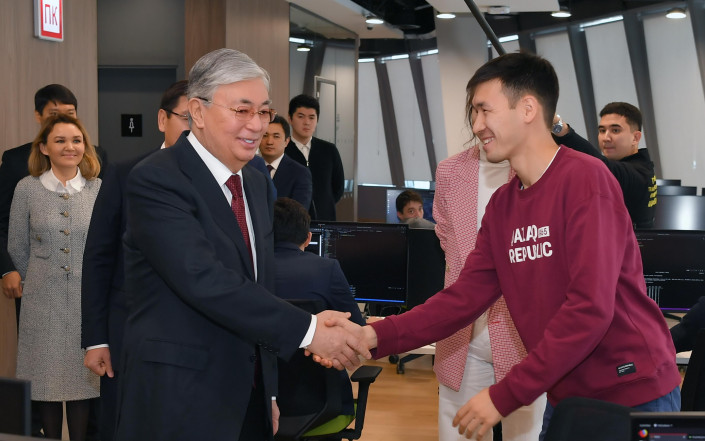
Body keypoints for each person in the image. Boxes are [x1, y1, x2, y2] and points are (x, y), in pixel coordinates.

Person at [321, 52, 681, 440]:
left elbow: (589, 309)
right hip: (567, 394)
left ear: (527, 108)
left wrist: (504, 394)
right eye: (473, 113)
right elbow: (462, 299)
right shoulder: (504, 205)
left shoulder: (585, 179)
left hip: (632, 392)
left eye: (485, 110)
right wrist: (374, 336)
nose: (476, 125)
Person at [113, 48, 366, 441]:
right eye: (242, 110)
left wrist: (270, 391)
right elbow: (203, 279)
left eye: (264, 111)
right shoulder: (157, 179)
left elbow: (260, 285)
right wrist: (310, 330)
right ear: (197, 112)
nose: (257, 125)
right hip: (179, 398)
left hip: (249, 395)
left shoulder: (256, 181)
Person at [80, 79, 189, 441]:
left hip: (195, 336)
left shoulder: (225, 179)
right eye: (187, 118)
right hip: (129, 330)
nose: (195, 129)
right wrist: (96, 338)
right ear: (162, 119)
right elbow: (98, 256)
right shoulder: (126, 172)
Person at [433, 143, 545, 441]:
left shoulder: (535, 168)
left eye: (489, 116)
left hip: (523, 334)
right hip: (463, 336)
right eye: (476, 117)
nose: (482, 124)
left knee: (526, 433)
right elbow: (447, 239)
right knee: (459, 430)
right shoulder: (450, 170)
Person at [8, 114, 102, 441]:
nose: (69, 147)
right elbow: (17, 245)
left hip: (86, 301)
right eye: (60, 141)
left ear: (85, 146)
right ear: (44, 148)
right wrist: (37, 279)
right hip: (41, 302)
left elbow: (107, 246)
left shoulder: (98, 189)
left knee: (81, 383)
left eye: (76, 140)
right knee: (45, 384)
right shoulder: (27, 188)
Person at [1, 84, 108, 317]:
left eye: (69, 114)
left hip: (88, 286)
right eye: (54, 114)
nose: (69, 147)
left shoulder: (98, 166)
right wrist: (8, 269)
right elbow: (8, 228)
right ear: (38, 116)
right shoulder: (17, 166)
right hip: (36, 286)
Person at [272, 197, 364, 415]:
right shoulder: (327, 268)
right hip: (321, 404)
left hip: (262, 403)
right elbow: (357, 327)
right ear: (308, 237)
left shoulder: (249, 271)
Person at [552, 102, 656, 228]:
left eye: (615, 130)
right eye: (602, 130)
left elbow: (599, 164)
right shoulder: (641, 167)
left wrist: (559, 128)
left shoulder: (637, 174)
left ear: (636, 138)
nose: (606, 138)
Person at [285, 94, 344, 220]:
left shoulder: (329, 150)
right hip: (292, 223)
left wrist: (325, 205)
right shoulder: (283, 150)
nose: (307, 122)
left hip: (325, 221)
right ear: (290, 118)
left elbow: (338, 188)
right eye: (301, 116)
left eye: (312, 117)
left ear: (317, 120)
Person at [259, 115, 312, 208]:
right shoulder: (248, 168)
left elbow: (298, 212)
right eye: (265, 135)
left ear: (286, 141)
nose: (269, 142)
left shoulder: (300, 173)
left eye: (276, 136)